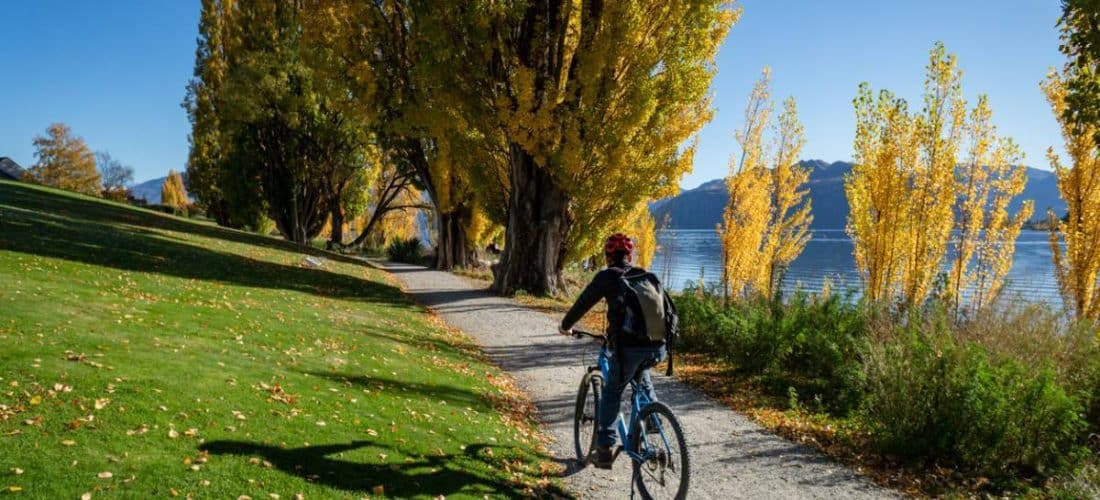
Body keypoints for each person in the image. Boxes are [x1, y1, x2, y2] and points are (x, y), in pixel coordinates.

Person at [559, 233, 670, 469]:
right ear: (629, 255)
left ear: (608, 256)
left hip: (627, 347)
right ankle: (652, 418)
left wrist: (566, 325)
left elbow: (583, 303)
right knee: (641, 375)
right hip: (658, 347)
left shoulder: (607, 276)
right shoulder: (646, 275)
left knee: (612, 391)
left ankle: (605, 449)